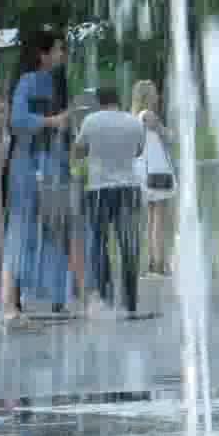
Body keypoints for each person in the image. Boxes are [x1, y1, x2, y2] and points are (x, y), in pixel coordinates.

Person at [1, 29, 72, 325]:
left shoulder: (51, 82)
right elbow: (17, 120)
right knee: (22, 229)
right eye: (57, 49)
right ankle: (9, 303)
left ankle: (54, 297)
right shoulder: (29, 81)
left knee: (51, 229)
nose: (62, 55)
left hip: (47, 164)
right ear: (43, 55)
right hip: (27, 165)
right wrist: (53, 121)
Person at [73, 87, 145, 317]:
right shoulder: (134, 122)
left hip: (99, 189)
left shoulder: (91, 121)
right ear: (118, 100)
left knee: (99, 244)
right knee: (129, 245)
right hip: (128, 188)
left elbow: (79, 150)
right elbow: (138, 151)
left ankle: (106, 297)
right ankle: (130, 301)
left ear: (99, 102)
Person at [130, 80, 176, 275]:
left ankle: (152, 260)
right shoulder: (148, 115)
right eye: (155, 93)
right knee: (158, 219)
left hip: (147, 172)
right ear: (147, 96)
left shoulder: (135, 117)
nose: (158, 96)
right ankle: (159, 262)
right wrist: (169, 132)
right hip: (157, 172)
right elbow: (169, 137)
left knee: (151, 218)